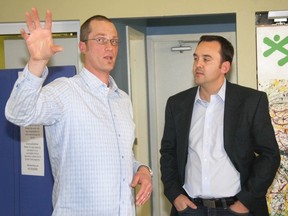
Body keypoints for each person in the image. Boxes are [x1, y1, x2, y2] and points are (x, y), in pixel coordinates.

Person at [5, 8, 152, 216]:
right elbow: (18, 114)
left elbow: (122, 157)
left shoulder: (123, 100)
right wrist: (37, 62)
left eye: (114, 41)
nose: (109, 47)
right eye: (100, 40)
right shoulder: (65, 91)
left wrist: (142, 170)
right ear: (82, 46)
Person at [160, 35, 280, 216]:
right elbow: (168, 152)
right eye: (195, 58)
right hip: (190, 209)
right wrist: (175, 194)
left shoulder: (251, 101)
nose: (198, 64)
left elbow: (269, 155)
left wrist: (246, 201)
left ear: (224, 67)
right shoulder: (177, 104)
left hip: (236, 209)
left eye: (206, 59)